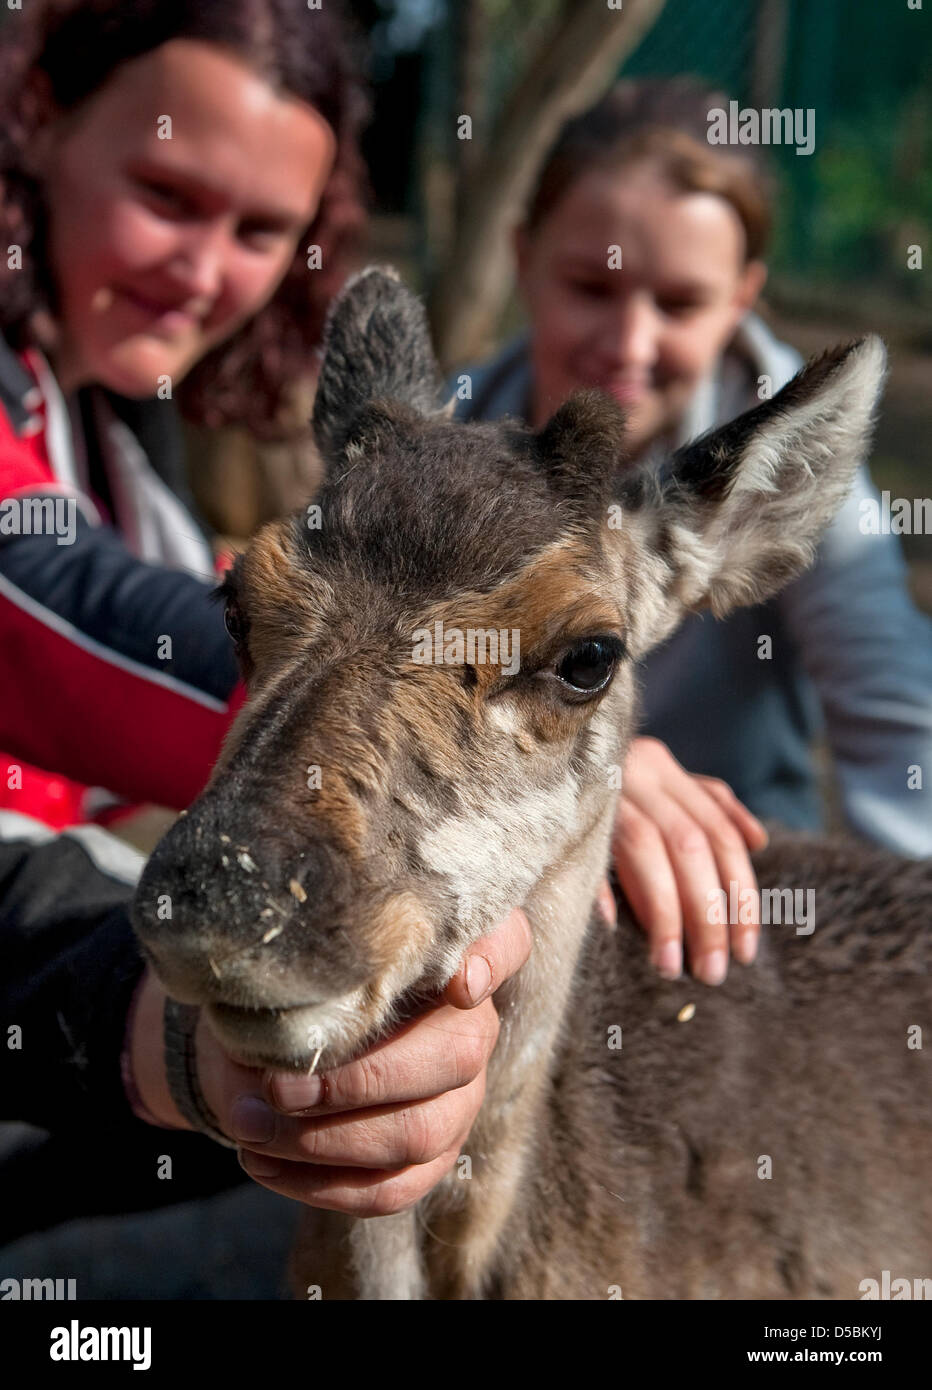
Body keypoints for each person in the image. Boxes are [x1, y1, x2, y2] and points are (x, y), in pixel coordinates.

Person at [0, 8, 761, 1265]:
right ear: (38, 124)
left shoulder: (127, 434)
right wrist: (506, 705)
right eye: (164, 192)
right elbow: (41, 597)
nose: (202, 269)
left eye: (258, 232)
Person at [451, 78, 932, 873]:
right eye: (591, 288)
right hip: (504, 849)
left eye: (679, 304)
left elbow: (893, 701)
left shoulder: (791, 468)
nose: (630, 344)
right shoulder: (450, 430)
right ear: (522, 259)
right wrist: (594, 776)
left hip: (733, 884)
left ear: (742, 299)